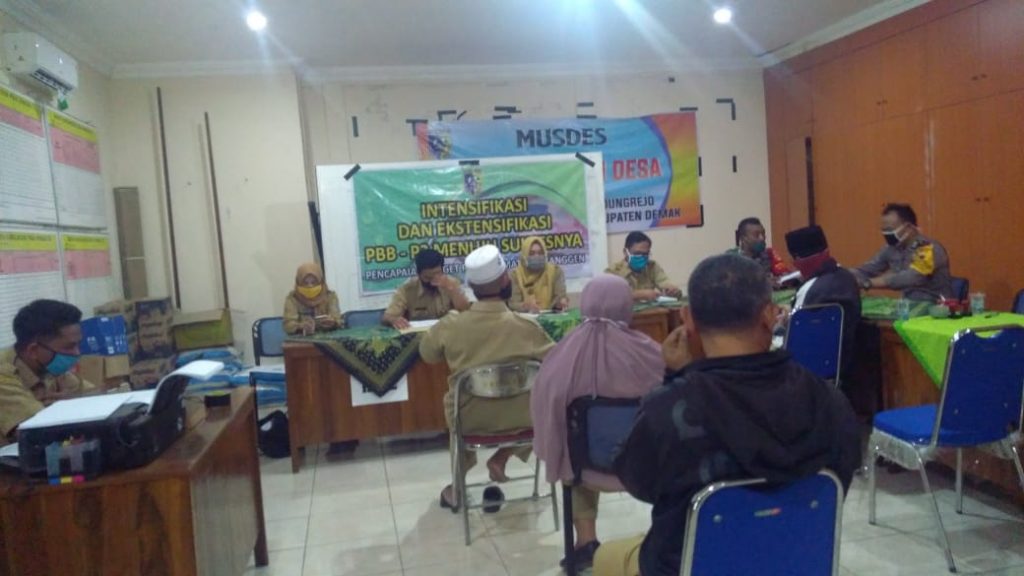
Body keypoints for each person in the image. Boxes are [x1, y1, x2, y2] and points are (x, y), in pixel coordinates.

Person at [593, 254, 861, 576]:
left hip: (687, 565)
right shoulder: (829, 399)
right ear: (769, 315)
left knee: (606, 557)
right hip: (793, 562)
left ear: (688, 318)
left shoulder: (670, 407)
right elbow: (838, 481)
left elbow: (639, 483)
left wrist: (677, 379)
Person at [531, 274, 665, 570]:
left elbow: (546, 408)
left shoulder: (562, 355)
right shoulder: (651, 353)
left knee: (572, 446)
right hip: (650, 468)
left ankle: (586, 541)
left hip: (586, 468)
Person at [419, 244, 554, 511]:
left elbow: (427, 355)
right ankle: (502, 458)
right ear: (505, 281)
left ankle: (457, 487)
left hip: (470, 420)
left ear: (471, 285)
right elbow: (557, 361)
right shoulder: (526, 327)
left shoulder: (451, 325)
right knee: (542, 403)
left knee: (457, 404)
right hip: (522, 419)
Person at [1, 300, 95, 444]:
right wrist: (68, 409)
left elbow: (97, 396)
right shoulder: (4, 375)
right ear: (33, 350)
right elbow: (34, 432)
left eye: (77, 345)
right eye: (69, 347)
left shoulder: (47, 365)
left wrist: (72, 403)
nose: (77, 353)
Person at [786, 225, 862, 381]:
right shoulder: (848, 278)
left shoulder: (809, 289)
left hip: (803, 374)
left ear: (798, 260)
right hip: (841, 368)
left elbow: (796, 338)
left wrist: (783, 322)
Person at [852, 203, 953, 301]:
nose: (886, 234)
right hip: (908, 305)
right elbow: (867, 270)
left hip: (935, 306)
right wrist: (846, 276)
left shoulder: (928, 248)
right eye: (884, 230)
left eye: (889, 230)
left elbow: (912, 278)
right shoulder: (892, 248)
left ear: (908, 227)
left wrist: (868, 283)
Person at [383, 248, 471, 329]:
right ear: (418, 274)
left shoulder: (451, 283)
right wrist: (394, 320)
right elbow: (387, 317)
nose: (433, 282)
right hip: (420, 337)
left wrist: (453, 291)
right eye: (428, 278)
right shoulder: (406, 289)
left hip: (448, 334)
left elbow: (466, 312)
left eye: (438, 275)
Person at [606, 231, 682, 302]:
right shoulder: (613, 272)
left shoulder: (652, 266)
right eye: (637, 253)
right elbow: (609, 298)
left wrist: (672, 291)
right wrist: (637, 295)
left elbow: (665, 283)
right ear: (625, 252)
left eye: (645, 254)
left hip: (651, 311)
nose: (642, 257)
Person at [509, 235, 569, 313]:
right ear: (524, 255)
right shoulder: (515, 275)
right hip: (524, 318)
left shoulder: (555, 271)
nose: (537, 256)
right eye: (532, 253)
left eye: (540, 253)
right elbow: (513, 304)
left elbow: (560, 296)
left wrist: (560, 303)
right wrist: (526, 306)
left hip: (551, 317)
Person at [283, 262, 342, 335]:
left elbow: (339, 321)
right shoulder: (292, 298)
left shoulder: (330, 296)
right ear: (298, 283)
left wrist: (333, 323)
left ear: (321, 282)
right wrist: (301, 326)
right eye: (305, 283)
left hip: (328, 337)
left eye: (314, 282)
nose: (310, 286)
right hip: (301, 339)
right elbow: (288, 325)